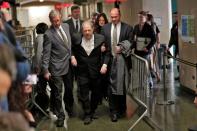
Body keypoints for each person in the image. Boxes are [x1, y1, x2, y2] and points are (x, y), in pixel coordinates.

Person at [71, 20, 108, 125]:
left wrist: (104, 64)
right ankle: (87, 114)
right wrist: (72, 56)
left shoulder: (100, 39)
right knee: (84, 94)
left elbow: (107, 53)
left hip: (96, 71)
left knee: (96, 94)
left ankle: (92, 110)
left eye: (89, 30)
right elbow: (71, 48)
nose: (87, 32)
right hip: (82, 71)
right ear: (82, 31)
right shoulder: (76, 38)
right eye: (85, 30)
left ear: (93, 30)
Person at [101, 8, 133, 122]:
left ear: (120, 15)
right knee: (111, 87)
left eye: (115, 17)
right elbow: (102, 43)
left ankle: (121, 108)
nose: (113, 19)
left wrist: (122, 47)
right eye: (112, 17)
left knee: (122, 86)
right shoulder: (105, 28)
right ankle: (113, 111)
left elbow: (131, 42)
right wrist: (102, 47)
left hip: (122, 62)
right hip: (110, 62)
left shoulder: (128, 28)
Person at [42, 10, 72, 127]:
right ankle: (61, 116)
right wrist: (45, 70)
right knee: (58, 93)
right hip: (56, 68)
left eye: (58, 20)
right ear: (50, 21)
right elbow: (46, 54)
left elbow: (68, 45)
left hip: (68, 64)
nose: (57, 23)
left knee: (69, 88)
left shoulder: (66, 26)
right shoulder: (48, 34)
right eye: (54, 22)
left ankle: (69, 109)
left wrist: (72, 56)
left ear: (61, 17)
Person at [132, 11, 156, 88]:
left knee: (146, 68)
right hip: (137, 51)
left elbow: (154, 39)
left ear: (145, 18)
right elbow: (133, 37)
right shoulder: (136, 27)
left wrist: (148, 47)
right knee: (139, 69)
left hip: (145, 52)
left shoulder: (149, 27)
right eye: (139, 17)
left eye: (142, 17)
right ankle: (141, 84)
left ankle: (149, 82)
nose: (140, 18)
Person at [32, 22, 50, 113]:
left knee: (39, 87)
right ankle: (43, 107)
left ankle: (41, 106)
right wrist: (39, 68)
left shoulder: (38, 37)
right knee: (41, 88)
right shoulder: (42, 38)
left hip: (37, 66)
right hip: (41, 67)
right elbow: (39, 54)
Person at [94, 13, 109, 103]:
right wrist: (99, 48)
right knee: (97, 78)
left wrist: (105, 48)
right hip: (97, 57)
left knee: (105, 77)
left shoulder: (108, 29)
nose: (101, 22)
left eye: (103, 20)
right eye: (100, 20)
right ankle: (98, 97)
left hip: (105, 56)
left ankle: (105, 94)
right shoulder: (95, 30)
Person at [147, 13, 161, 83]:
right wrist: (158, 42)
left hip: (151, 46)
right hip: (153, 45)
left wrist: (158, 42)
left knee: (152, 62)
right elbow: (158, 33)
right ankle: (156, 75)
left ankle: (155, 76)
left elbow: (157, 34)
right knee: (154, 62)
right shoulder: (154, 24)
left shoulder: (149, 25)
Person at [167, 12, 179, 80]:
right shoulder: (174, 25)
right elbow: (172, 37)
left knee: (180, 62)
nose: (174, 18)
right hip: (177, 47)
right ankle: (180, 75)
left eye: (176, 16)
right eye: (174, 16)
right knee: (177, 62)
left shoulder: (181, 24)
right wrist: (169, 46)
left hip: (182, 47)